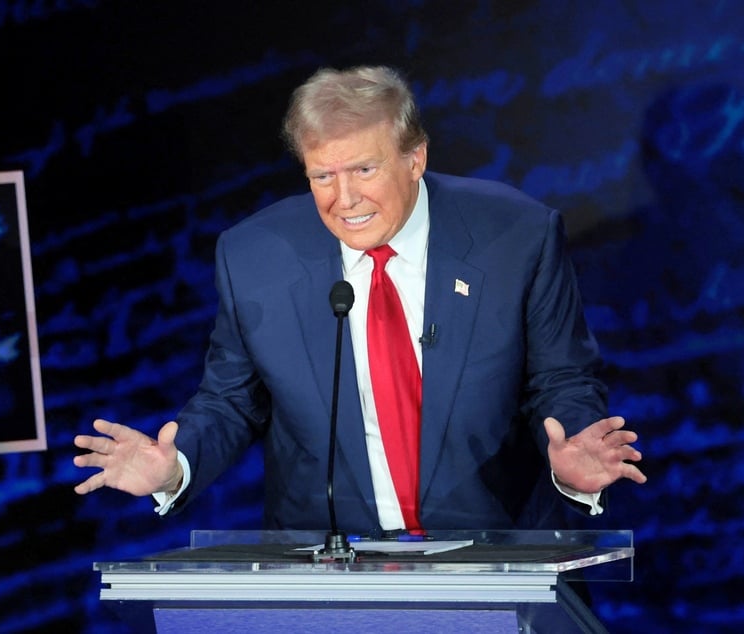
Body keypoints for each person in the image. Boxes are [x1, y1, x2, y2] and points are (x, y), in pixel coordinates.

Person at [73, 65, 646, 533]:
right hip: (330, 565)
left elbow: (562, 381)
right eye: (322, 176)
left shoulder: (515, 237)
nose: (343, 199)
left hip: (495, 547)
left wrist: (573, 458)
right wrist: (176, 466)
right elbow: (231, 400)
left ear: (415, 158)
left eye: (364, 169)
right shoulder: (253, 257)